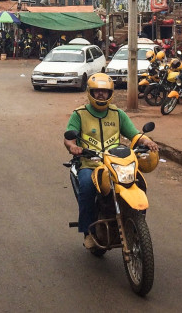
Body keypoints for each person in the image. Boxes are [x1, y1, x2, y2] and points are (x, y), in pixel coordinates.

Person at [63, 73, 158, 249]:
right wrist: (73, 147)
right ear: (91, 93)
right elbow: (69, 137)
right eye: (97, 91)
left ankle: (136, 222)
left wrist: (147, 141)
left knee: (139, 183)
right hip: (91, 163)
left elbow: (134, 134)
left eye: (104, 92)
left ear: (110, 94)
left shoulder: (118, 114)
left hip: (117, 163)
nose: (101, 95)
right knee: (87, 187)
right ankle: (88, 232)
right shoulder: (80, 114)